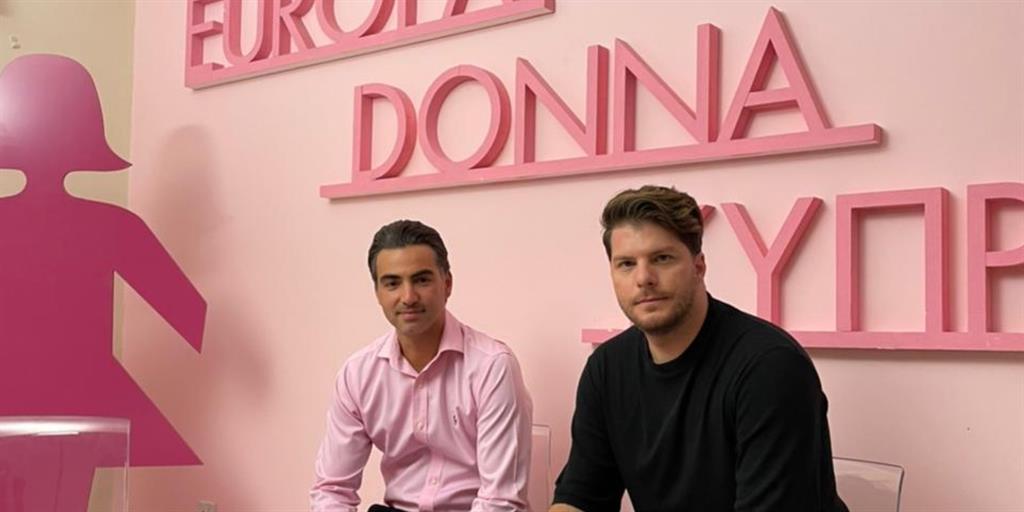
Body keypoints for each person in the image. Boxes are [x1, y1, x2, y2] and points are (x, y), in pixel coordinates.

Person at [551, 186, 847, 512]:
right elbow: (580, 497)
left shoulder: (770, 366)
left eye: (662, 258)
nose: (644, 278)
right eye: (626, 264)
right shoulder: (607, 367)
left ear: (699, 266)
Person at [312, 220, 533, 511]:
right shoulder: (357, 375)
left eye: (421, 280)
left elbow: (500, 501)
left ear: (447, 284)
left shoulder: (492, 367)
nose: (408, 297)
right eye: (392, 283)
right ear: (377, 293)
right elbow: (332, 490)